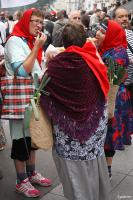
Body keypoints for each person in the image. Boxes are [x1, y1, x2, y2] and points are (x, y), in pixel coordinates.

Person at [41, 22, 111, 200]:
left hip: (68, 132)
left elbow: (43, 91)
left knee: (73, 177)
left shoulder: (55, 66)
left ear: (63, 42)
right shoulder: (93, 59)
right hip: (93, 131)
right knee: (93, 170)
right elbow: (104, 87)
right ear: (83, 39)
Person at [4, 8, 52, 198]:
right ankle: (20, 180)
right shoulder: (15, 41)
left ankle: (31, 173)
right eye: (35, 21)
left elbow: (36, 69)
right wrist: (36, 48)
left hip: (32, 97)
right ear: (25, 21)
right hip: (20, 99)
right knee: (19, 139)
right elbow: (22, 72)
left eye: (41, 21)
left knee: (32, 137)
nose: (39, 25)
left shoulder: (29, 40)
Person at [94, 20, 129, 179]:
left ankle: (107, 169)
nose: (97, 34)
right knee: (104, 133)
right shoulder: (106, 48)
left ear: (111, 35)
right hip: (106, 96)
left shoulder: (118, 53)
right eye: (98, 31)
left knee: (109, 134)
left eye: (102, 32)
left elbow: (111, 80)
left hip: (114, 98)